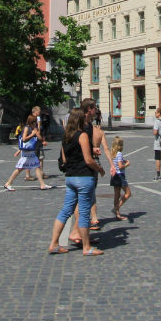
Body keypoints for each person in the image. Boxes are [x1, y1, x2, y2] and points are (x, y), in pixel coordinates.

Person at [46, 105, 104, 256]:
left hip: (70, 177)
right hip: (84, 176)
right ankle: (86, 247)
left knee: (66, 210)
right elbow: (88, 160)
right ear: (80, 119)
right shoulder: (82, 135)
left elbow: (64, 158)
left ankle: (53, 244)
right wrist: (99, 169)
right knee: (84, 213)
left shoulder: (66, 136)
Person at [3, 114, 51, 190]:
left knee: (37, 166)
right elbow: (24, 139)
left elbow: (38, 137)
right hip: (26, 152)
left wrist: (41, 139)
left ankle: (42, 184)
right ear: (32, 122)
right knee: (20, 168)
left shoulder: (33, 128)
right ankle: (8, 183)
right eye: (35, 122)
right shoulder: (26, 128)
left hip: (31, 151)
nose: (36, 123)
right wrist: (32, 134)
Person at [108, 136, 131, 220]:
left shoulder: (113, 153)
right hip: (120, 175)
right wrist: (127, 164)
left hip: (114, 175)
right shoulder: (119, 153)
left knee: (116, 195)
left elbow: (117, 163)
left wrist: (122, 160)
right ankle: (116, 208)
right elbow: (120, 166)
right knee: (128, 193)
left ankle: (117, 214)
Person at [152, 108, 161, 180]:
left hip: (158, 142)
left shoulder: (157, 121)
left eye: (156, 113)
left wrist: (156, 132)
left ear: (159, 113)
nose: (155, 114)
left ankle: (158, 175)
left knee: (158, 158)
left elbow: (155, 132)